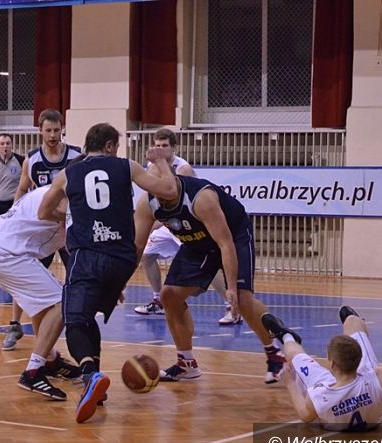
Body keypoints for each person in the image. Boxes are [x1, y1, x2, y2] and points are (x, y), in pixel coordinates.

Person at [38, 122, 178, 424]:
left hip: (87, 255)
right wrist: (161, 162)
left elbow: (43, 211)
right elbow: (169, 190)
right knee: (89, 316)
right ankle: (97, 387)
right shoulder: (126, 166)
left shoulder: (68, 173)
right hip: (122, 258)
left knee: (76, 321)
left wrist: (72, 212)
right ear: (111, 146)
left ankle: (90, 374)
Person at [133, 168, 287, 384]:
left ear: (174, 180)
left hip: (233, 236)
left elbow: (225, 243)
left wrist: (230, 288)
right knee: (169, 296)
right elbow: (137, 246)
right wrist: (118, 284)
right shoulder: (147, 203)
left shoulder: (200, 197)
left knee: (242, 299)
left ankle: (275, 353)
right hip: (197, 243)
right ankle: (186, 363)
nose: (160, 193)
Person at [262, 306, 382, 431]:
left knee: (296, 356)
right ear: (360, 360)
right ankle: (353, 321)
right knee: (352, 321)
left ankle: (285, 336)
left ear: (331, 364)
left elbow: (305, 416)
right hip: (374, 417)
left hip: (332, 408)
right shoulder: (379, 377)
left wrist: (290, 384)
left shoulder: (319, 394)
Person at [0, 185, 81, 400]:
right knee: (63, 303)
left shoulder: (52, 191)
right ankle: (33, 371)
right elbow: (71, 240)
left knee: (42, 305)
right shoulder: (65, 198)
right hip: (7, 253)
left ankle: (50, 360)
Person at [132, 129, 238, 324]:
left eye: (164, 146)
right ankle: (158, 300)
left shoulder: (183, 168)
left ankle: (230, 305)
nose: (160, 149)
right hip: (168, 222)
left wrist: (155, 223)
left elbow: (177, 200)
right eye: (157, 145)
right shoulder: (152, 166)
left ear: (173, 148)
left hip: (189, 221)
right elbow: (154, 201)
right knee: (147, 256)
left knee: (208, 265)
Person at [2, 109, 81, 351]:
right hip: (41, 229)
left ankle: (78, 320)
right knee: (25, 275)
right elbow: (22, 189)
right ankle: (14, 324)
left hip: (67, 228)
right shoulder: (32, 160)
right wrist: (15, 216)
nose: (53, 135)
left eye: (57, 130)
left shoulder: (76, 156)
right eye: (48, 130)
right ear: (40, 131)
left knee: (77, 274)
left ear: (62, 130)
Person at [0, 133, 24, 222]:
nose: (5, 146)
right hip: (1, 205)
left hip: (17, 204)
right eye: (2, 144)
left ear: (12, 145)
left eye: (8, 143)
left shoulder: (21, 161)